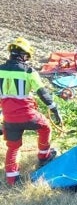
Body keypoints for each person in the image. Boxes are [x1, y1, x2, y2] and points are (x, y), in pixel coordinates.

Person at [0, 37, 62, 186]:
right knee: (45, 127)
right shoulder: (29, 71)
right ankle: (44, 156)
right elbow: (42, 92)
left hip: (9, 118)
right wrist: (53, 108)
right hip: (28, 115)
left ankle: (12, 179)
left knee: (13, 147)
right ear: (24, 55)